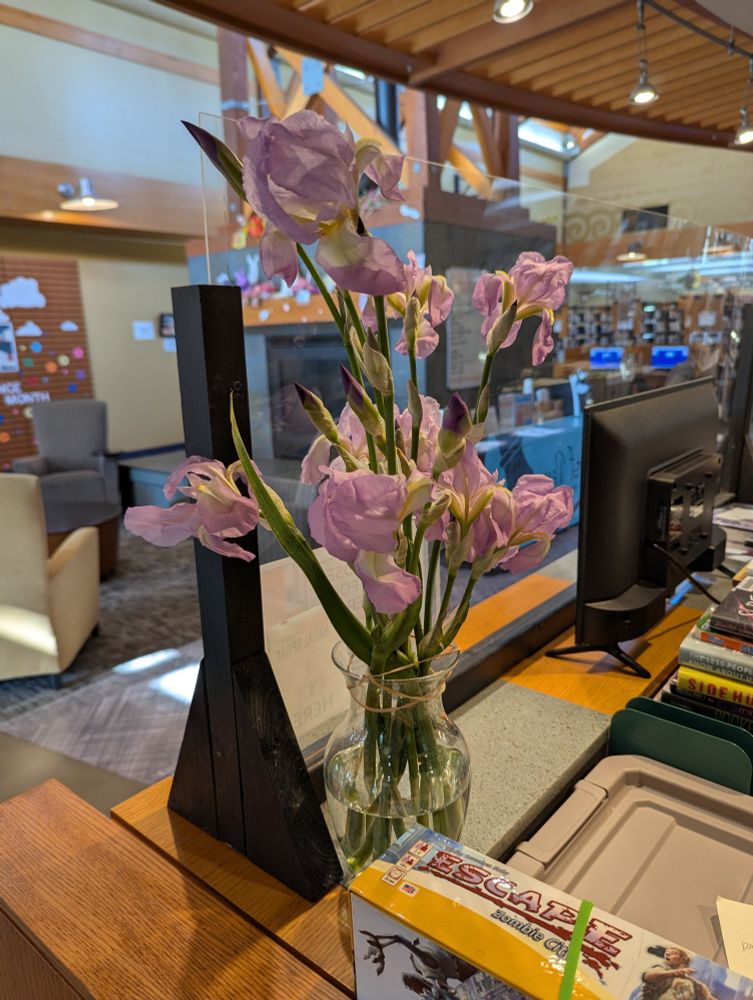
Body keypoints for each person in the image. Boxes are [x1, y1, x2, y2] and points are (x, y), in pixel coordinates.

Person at [641, 947, 715, 1000]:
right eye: (667, 953)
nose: (668, 954)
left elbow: (708, 997)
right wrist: (673, 973)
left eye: (673, 953)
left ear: (683, 958)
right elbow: (648, 976)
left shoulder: (696, 985)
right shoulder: (662, 970)